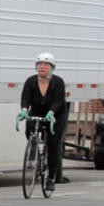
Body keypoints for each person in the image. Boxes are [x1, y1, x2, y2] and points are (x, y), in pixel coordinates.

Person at [16, 52, 68, 192]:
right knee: (30, 128)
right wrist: (24, 110)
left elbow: (58, 101)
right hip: (37, 111)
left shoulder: (58, 82)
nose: (42, 67)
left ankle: (51, 178)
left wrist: (51, 113)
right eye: (40, 65)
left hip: (56, 113)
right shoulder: (31, 81)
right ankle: (34, 154)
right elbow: (25, 98)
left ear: (52, 68)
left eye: (46, 65)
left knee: (53, 143)